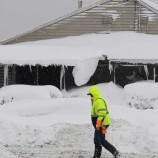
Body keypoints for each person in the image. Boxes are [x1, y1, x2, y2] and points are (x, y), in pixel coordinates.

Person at [87, 85, 120, 158]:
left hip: (101, 124)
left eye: (91, 94)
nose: (90, 96)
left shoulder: (99, 101)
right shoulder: (96, 101)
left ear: (94, 94)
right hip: (102, 124)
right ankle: (115, 152)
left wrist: (98, 124)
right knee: (102, 140)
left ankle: (97, 156)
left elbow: (102, 113)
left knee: (97, 140)